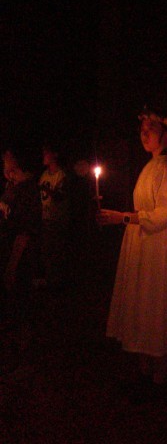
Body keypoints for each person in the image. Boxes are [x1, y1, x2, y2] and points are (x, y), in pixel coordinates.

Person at [98, 107, 167, 399]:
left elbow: (163, 214)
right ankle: (145, 372)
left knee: (155, 304)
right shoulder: (152, 165)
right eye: (142, 129)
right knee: (142, 304)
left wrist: (122, 217)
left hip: (158, 248)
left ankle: (160, 378)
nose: (144, 134)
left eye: (151, 129)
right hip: (143, 245)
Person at [0, 143, 42, 352]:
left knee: (21, 297)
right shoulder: (13, 186)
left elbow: (24, 234)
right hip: (7, 250)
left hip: (21, 257)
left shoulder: (29, 192)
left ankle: (25, 344)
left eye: (11, 166)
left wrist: (11, 266)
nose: (6, 169)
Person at [37, 139, 72, 290]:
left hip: (57, 220)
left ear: (54, 154)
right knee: (47, 252)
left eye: (46, 153)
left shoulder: (61, 175)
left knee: (56, 252)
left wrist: (46, 190)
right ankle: (50, 281)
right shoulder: (44, 174)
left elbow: (59, 196)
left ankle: (58, 284)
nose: (44, 156)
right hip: (46, 218)